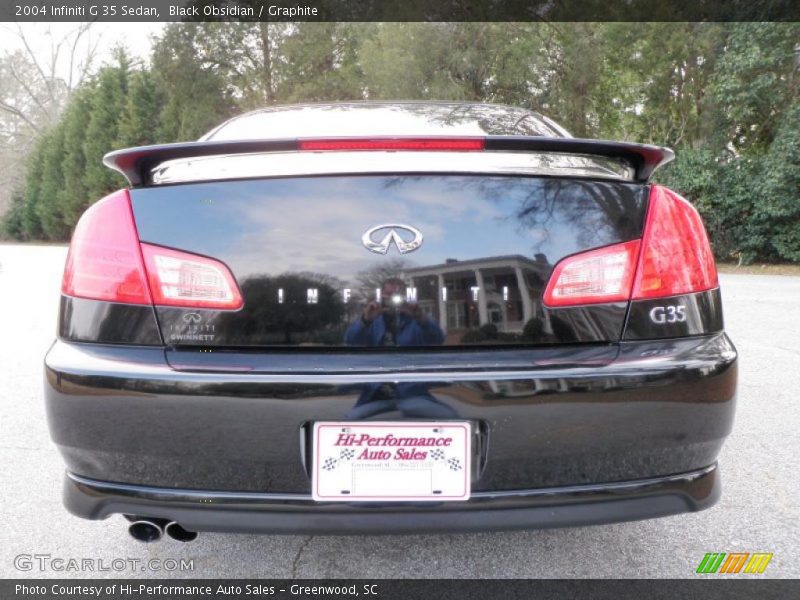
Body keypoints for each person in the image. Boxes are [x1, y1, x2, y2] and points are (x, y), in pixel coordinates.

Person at [344, 279, 444, 347]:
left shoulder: (415, 321)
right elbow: (350, 340)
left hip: (408, 366)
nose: (393, 299)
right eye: (389, 295)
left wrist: (422, 320)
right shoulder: (373, 320)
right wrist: (365, 321)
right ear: (381, 296)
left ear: (405, 297)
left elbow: (438, 339)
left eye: (398, 295)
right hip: (378, 367)